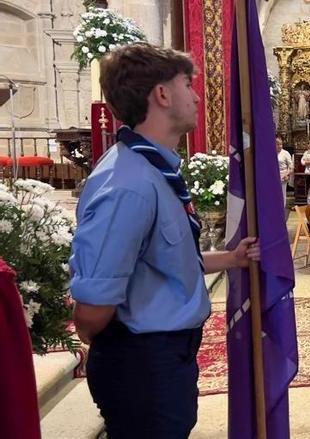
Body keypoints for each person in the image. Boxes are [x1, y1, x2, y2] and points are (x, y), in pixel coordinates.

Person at [69, 43, 261, 437]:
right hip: (142, 364)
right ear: (161, 94)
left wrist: (231, 259)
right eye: (186, 85)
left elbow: (164, 259)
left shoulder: (153, 170)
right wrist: (122, 349)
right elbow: (91, 310)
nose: (195, 96)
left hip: (164, 358)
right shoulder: (129, 184)